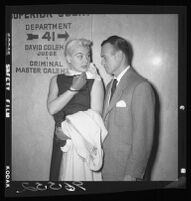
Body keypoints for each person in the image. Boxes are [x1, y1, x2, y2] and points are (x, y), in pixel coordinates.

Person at [47, 38, 104, 181]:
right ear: (68, 58)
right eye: (80, 56)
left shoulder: (95, 80)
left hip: (83, 142)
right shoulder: (56, 79)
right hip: (60, 141)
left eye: (88, 55)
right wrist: (73, 89)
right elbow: (52, 109)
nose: (86, 60)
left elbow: (95, 119)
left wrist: (68, 132)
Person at [100, 35, 155, 181]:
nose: (101, 62)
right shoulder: (109, 86)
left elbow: (142, 138)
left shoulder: (140, 86)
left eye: (104, 57)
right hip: (107, 168)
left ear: (118, 56)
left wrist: (133, 174)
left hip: (126, 172)